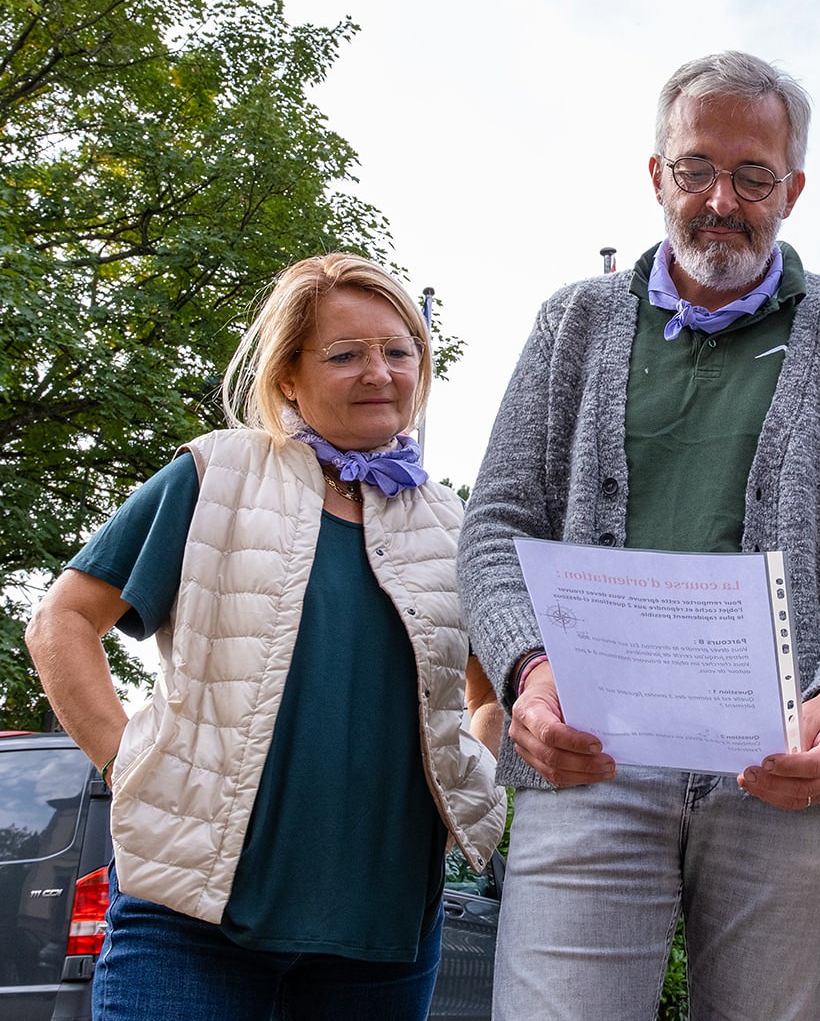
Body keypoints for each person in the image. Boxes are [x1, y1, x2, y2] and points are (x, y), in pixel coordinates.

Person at [457, 50, 820, 1021]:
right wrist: (527, 672)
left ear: (792, 187)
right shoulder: (573, 322)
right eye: (696, 169)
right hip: (589, 756)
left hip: (784, 771)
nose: (722, 198)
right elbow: (496, 520)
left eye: (753, 174)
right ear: (655, 175)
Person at [24, 253, 506, 1020]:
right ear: (287, 376)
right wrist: (130, 762)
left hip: (383, 935)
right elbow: (62, 620)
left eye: (398, 351)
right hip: (188, 920)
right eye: (345, 354)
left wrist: (467, 777)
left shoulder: (453, 523)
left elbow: (487, 692)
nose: (378, 372)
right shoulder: (214, 473)